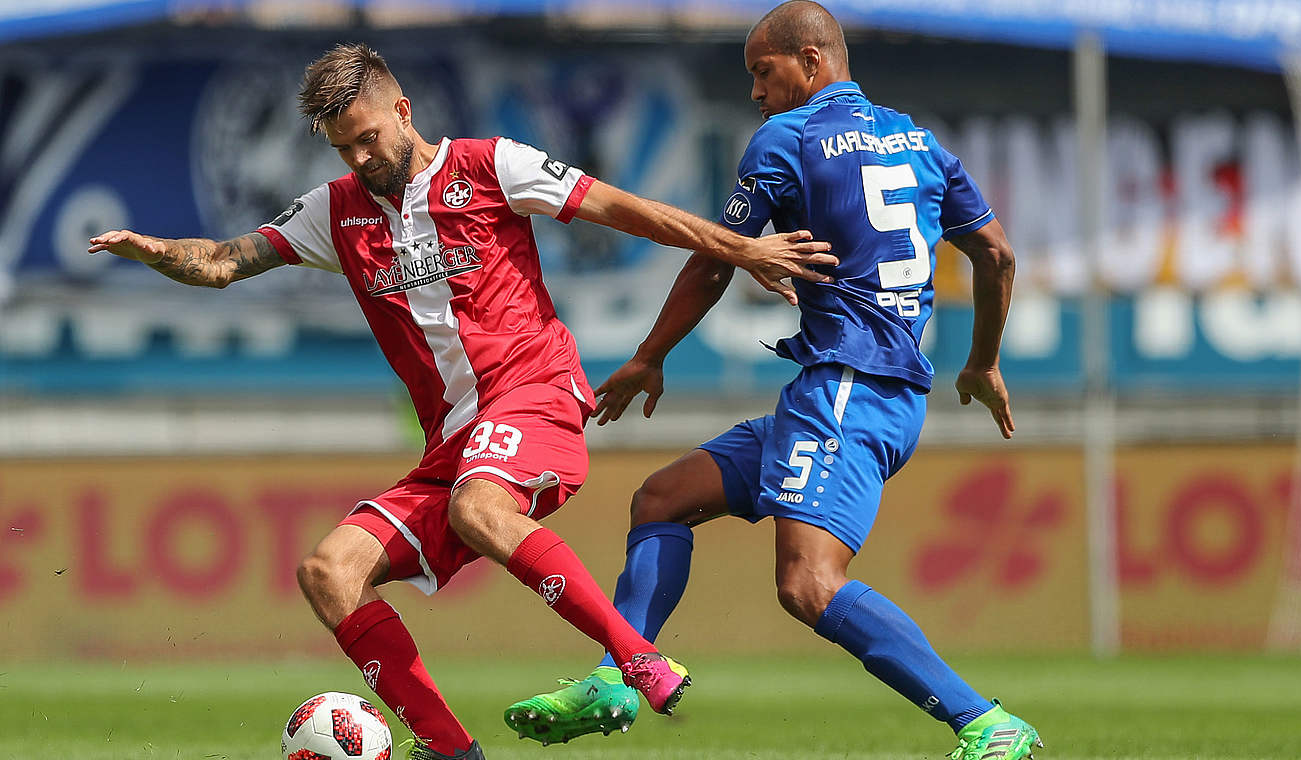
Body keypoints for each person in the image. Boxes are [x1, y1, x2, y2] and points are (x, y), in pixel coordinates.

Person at [88, 43, 838, 760]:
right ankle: (451, 750)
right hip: (452, 445)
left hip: (535, 398)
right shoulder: (336, 210)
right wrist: (157, 253)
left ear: (403, 110)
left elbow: (627, 209)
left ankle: (635, 658)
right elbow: (223, 261)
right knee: (329, 571)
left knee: (477, 509)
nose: (357, 160)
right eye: (341, 148)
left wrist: (741, 249)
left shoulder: (490, 166)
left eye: (367, 139)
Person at [502, 3, 1043, 759]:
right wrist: (982, 361)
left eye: (764, 71)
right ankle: (621, 673)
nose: (756, 90)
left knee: (808, 586)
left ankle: (984, 721)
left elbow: (719, 253)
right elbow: (997, 255)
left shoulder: (788, 137)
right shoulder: (917, 141)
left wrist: (651, 353)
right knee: (662, 498)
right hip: (861, 391)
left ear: (812, 63)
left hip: (848, 389)